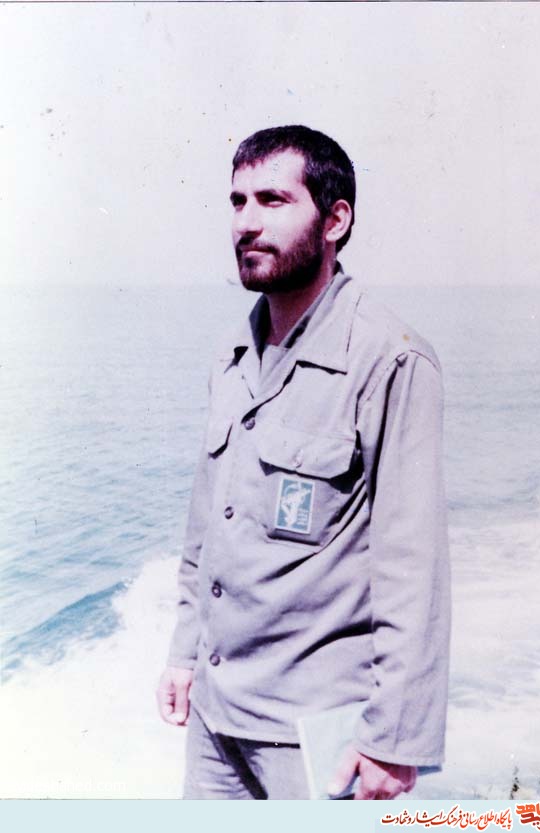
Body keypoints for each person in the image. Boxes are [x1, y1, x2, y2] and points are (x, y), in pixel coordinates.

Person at [156, 125, 451, 800]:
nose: (246, 222)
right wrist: (183, 652)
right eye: (237, 201)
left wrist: (395, 738)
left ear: (334, 221)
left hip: (319, 734)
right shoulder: (234, 357)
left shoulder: (389, 357)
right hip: (215, 717)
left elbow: (413, 565)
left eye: (273, 200)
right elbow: (207, 532)